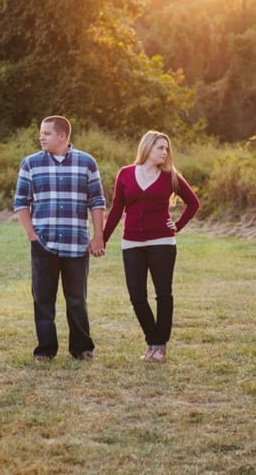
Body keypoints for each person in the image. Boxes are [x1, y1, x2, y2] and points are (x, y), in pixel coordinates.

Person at [102, 130, 200, 363]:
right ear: (147, 148)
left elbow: (193, 203)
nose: (165, 153)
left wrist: (177, 226)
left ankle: (159, 346)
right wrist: (102, 238)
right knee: (137, 296)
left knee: (163, 294)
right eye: (160, 148)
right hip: (132, 242)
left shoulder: (170, 176)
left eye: (167, 149)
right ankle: (152, 339)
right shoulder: (125, 174)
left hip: (162, 242)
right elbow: (116, 209)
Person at [13, 115, 106, 362]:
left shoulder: (87, 163)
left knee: (77, 300)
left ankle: (82, 348)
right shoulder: (30, 164)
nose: (41, 137)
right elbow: (20, 202)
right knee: (43, 300)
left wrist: (99, 236)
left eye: (46, 133)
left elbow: (97, 201)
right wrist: (32, 235)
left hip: (77, 244)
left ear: (62, 136)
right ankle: (45, 349)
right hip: (44, 244)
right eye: (41, 133)